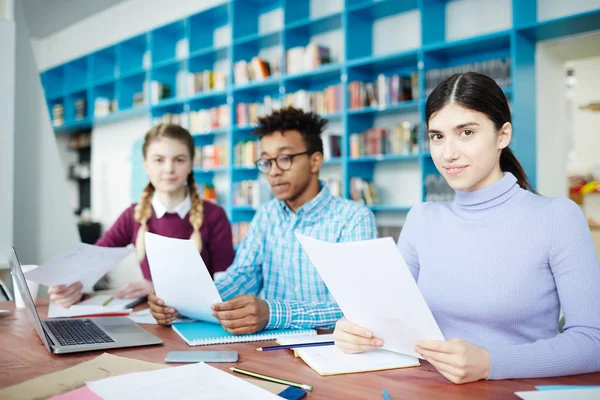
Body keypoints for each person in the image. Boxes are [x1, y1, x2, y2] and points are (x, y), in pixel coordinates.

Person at [333, 72, 600, 383]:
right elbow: (391, 319)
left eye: (466, 132)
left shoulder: (557, 217)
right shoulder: (421, 218)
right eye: (437, 136)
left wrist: (490, 362)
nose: (448, 154)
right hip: (428, 388)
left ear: (503, 135)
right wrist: (357, 331)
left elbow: (592, 342)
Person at [149, 107, 378, 333]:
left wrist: (272, 313)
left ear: (315, 161)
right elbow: (243, 275)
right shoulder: (267, 215)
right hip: (270, 346)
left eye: (285, 159)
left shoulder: (354, 219)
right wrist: (183, 303)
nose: (273, 172)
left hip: (329, 349)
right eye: (267, 162)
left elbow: (353, 308)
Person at [49, 123, 235, 307]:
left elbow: (225, 285)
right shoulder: (133, 215)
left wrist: (158, 288)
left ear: (191, 164)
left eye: (179, 159)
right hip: (152, 315)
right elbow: (96, 259)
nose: (169, 168)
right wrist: (71, 289)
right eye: (159, 160)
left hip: (200, 316)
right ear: (146, 165)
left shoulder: (214, 215)